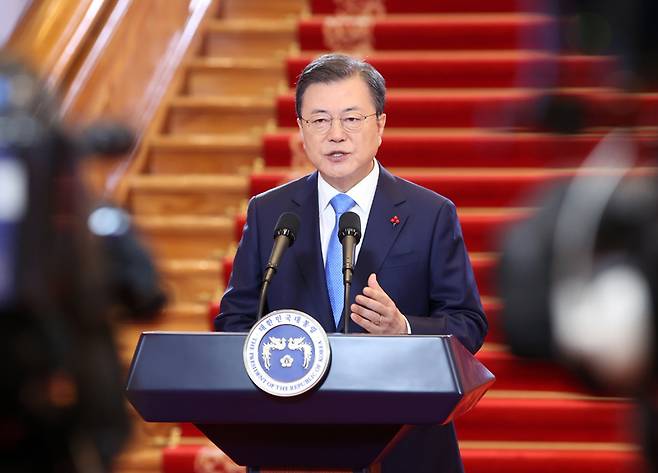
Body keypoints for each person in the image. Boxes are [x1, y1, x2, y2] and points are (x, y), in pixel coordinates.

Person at [215, 53, 488, 473]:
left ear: (380, 125)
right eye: (319, 120)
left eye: (352, 119)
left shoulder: (430, 213)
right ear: (301, 129)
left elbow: (468, 325)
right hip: (291, 443)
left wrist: (404, 329)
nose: (336, 135)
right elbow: (235, 321)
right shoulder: (270, 213)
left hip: (404, 444)